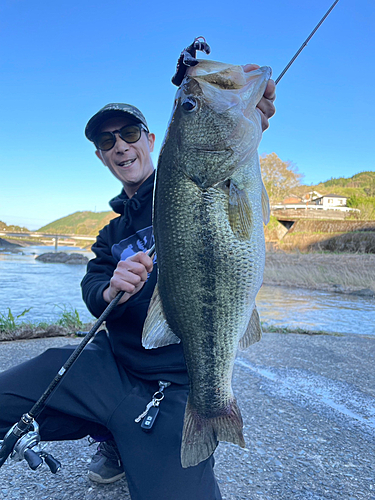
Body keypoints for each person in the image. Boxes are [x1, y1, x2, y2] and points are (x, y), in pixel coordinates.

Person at [0, 64, 275, 500]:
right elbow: (92, 290)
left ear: (152, 140)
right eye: (107, 141)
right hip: (110, 368)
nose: (120, 146)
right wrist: (110, 288)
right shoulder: (109, 234)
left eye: (130, 133)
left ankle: (138, 439)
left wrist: (231, 108)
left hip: (175, 383)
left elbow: (223, 131)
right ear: (101, 156)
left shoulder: (188, 179)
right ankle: (113, 437)